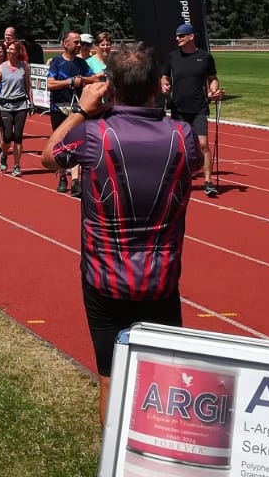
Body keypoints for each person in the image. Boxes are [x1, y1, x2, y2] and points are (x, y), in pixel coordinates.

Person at [44, 43, 200, 423]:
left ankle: (112, 454)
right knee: (164, 378)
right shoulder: (181, 135)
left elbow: (50, 156)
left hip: (105, 278)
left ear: (109, 87)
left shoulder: (94, 134)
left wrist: (81, 110)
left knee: (111, 377)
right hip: (160, 277)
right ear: (157, 86)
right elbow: (193, 164)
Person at [161, 22, 222, 197]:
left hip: (199, 108)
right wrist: (164, 85)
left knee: (202, 144)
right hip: (178, 108)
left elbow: (212, 78)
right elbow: (164, 76)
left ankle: (208, 182)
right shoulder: (172, 57)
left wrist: (213, 90)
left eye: (181, 35)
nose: (177, 38)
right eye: (176, 35)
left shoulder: (205, 57)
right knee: (180, 147)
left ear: (191, 36)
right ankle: (179, 180)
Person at [46, 29, 94, 195]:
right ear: (66, 44)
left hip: (76, 108)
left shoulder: (81, 63)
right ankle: (61, 176)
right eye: (76, 42)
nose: (79, 45)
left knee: (76, 142)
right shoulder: (56, 62)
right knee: (60, 142)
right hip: (58, 108)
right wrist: (69, 82)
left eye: (80, 42)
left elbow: (94, 78)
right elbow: (50, 84)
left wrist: (82, 80)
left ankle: (75, 181)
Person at [0, 39, 33, 176]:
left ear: (18, 51)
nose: (8, 51)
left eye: (12, 49)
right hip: (5, 105)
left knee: (18, 136)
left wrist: (31, 103)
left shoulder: (24, 67)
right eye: (8, 49)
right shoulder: (2, 67)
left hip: (21, 105)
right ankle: (3, 154)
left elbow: (28, 86)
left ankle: (16, 165)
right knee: (7, 136)